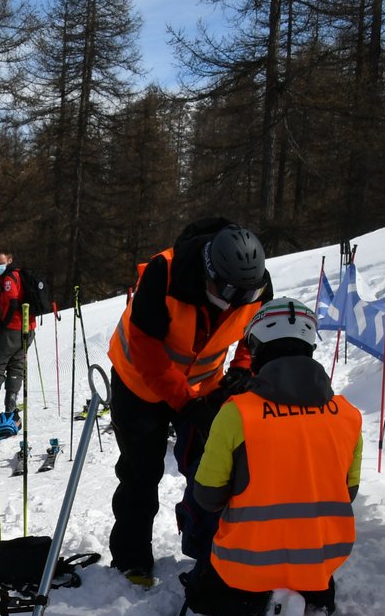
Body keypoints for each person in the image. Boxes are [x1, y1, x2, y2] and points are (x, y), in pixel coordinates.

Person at [182, 298, 363, 616]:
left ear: (257, 347)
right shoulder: (348, 415)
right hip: (320, 568)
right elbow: (347, 493)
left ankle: (259, 611)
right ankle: (310, 601)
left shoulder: (238, 413)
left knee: (202, 589)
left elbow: (206, 496)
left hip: (244, 571)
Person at [106, 219, 273, 587]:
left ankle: (214, 551)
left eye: (243, 296)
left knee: (212, 467)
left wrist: (242, 368)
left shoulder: (255, 285)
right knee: (141, 470)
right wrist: (184, 401)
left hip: (203, 386)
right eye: (227, 291)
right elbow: (147, 350)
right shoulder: (163, 274)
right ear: (209, 272)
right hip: (139, 383)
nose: (234, 303)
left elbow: (255, 330)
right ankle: (132, 559)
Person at [0, 250, 34, 434]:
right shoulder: (20, 275)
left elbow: (12, 303)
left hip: (12, 329)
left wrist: (2, 323)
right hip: (27, 329)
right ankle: (11, 404)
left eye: (1, 263)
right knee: (17, 365)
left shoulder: (10, 279)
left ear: (10, 260)